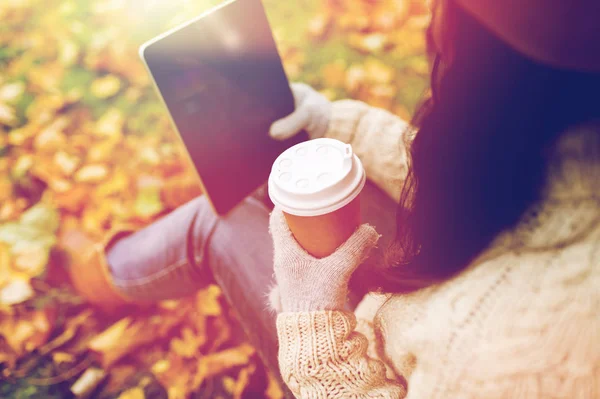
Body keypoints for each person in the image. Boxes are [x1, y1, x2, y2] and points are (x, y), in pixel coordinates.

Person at [65, 0, 600, 397]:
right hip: (425, 286)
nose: (429, 25)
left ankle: (97, 275)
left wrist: (311, 314)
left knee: (222, 218)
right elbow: (489, 173)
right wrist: (334, 123)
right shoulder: (571, 138)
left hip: (369, 357)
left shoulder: (528, 361)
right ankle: (110, 269)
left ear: (501, 73)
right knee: (260, 182)